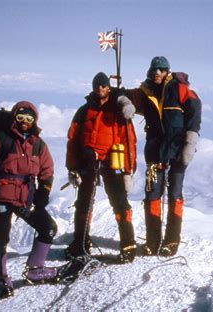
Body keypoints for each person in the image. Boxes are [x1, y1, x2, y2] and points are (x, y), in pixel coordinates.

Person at [122, 56, 202, 257]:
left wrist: (190, 142)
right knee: (152, 195)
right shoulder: (145, 91)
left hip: (178, 149)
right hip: (156, 150)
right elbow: (122, 95)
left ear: (167, 71)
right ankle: (152, 242)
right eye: (155, 69)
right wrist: (124, 102)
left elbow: (195, 108)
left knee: (175, 194)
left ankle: (171, 241)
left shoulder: (179, 88)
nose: (157, 72)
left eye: (162, 69)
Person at [0, 101, 57, 298]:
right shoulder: (1, 137)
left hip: (25, 198)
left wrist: (44, 191)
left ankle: (35, 269)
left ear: (34, 120)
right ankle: (0, 280)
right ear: (14, 117)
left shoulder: (38, 144)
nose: (25, 122)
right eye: (21, 117)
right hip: (0, 197)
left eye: (29, 118)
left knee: (48, 227)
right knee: (1, 238)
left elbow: (47, 170)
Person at [65, 72, 137, 263]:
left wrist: (128, 171)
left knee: (120, 201)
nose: (100, 89)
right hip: (87, 161)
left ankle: (128, 244)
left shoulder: (118, 110)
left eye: (104, 86)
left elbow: (128, 140)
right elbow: (73, 139)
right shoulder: (84, 111)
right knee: (84, 202)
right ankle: (80, 243)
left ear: (108, 87)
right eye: (97, 86)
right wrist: (72, 167)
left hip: (112, 160)